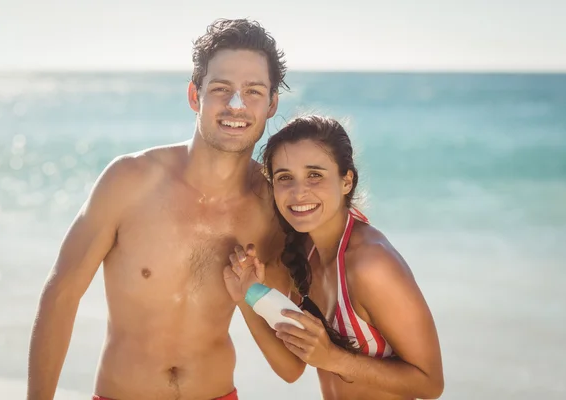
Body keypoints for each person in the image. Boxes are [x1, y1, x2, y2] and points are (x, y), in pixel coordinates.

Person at [27, 18, 292, 400]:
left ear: (271, 105)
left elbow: (289, 362)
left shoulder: (272, 208)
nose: (237, 104)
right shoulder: (129, 180)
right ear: (194, 96)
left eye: (253, 91)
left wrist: (249, 295)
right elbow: (61, 296)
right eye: (221, 88)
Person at [224, 115, 444, 399]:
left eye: (315, 175)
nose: (298, 192)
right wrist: (247, 295)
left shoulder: (370, 265)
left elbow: (430, 384)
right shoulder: (303, 251)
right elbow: (291, 369)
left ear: (346, 181)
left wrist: (334, 359)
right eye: (285, 178)